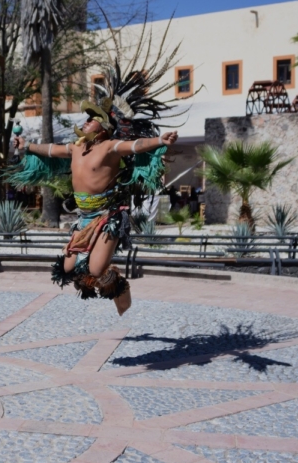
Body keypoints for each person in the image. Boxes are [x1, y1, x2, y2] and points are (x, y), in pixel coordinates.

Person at [10, 93, 179, 315]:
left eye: (92, 118)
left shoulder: (110, 146)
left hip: (108, 216)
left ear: (104, 127)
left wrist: (160, 141)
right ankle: (108, 276)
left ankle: (119, 284)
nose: (86, 120)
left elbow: (136, 145)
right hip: (84, 217)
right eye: (87, 117)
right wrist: (27, 145)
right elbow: (50, 149)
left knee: (96, 269)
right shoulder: (76, 148)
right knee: (70, 268)